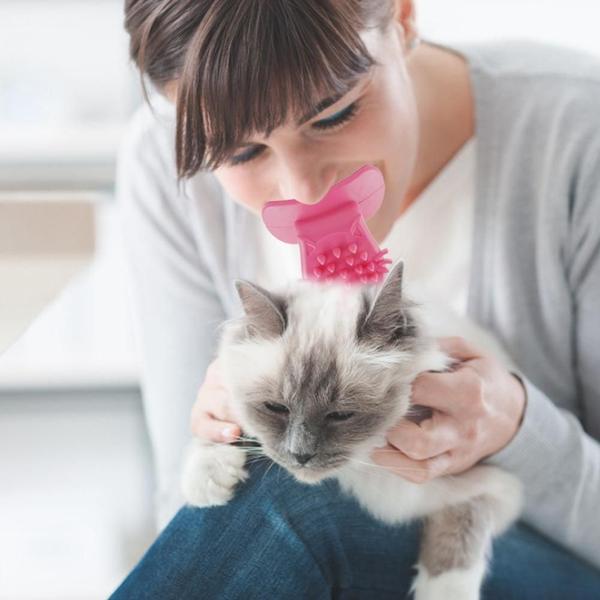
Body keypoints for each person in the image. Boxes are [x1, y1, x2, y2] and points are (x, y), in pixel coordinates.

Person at [111, 0, 600, 597]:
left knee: (295, 495)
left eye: (334, 114)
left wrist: (520, 430)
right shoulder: (170, 162)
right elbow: (191, 522)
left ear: (404, 17)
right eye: (241, 154)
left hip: (546, 561)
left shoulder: (579, 133)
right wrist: (222, 439)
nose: (304, 191)